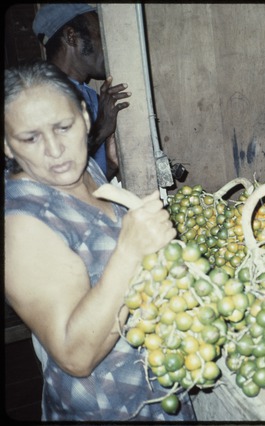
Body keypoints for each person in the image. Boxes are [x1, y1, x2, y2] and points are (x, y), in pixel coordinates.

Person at [3, 61, 196, 421]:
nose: (55, 150)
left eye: (64, 127)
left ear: (85, 118)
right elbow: (75, 356)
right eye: (30, 138)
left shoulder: (81, 169)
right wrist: (131, 249)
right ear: (7, 145)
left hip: (158, 390)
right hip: (109, 407)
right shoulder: (20, 224)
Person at [33, 3, 131, 181]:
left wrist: (111, 162)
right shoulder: (39, 97)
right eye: (100, 36)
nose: (107, 46)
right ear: (72, 37)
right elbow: (55, 176)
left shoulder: (91, 96)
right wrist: (101, 128)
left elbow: (92, 180)